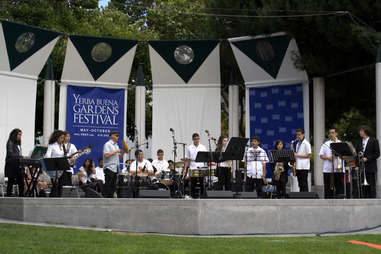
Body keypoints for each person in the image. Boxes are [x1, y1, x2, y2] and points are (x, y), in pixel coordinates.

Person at [355, 125, 380, 198]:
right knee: (363, 187)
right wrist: (357, 165)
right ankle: (364, 200)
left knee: (371, 186)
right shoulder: (359, 142)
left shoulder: (374, 141)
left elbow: (377, 153)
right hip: (362, 168)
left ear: (365, 131)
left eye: (361, 131)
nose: (359, 132)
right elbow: (357, 155)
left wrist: (367, 158)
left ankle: (372, 201)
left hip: (371, 167)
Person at [319, 128, 344, 199]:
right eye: (330, 133)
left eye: (333, 133)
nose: (331, 134)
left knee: (339, 189)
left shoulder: (341, 143)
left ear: (336, 134)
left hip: (338, 170)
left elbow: (345, 155)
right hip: (328, 170)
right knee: (328, 190)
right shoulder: (326, 144)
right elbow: (321, 155)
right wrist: (328, 158)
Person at [183, 133, 207, 198]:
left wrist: (206, 168)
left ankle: (202, 196)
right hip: (193, 168)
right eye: (195, 139)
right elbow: (187, 160)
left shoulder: (203, 147)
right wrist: (185, 169)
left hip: (201, 168)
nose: (197, 140)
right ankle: (193, 197)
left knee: (202, 183)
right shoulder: (189, 148)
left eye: (198, 139)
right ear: (193, 140)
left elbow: (206, 158)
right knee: (193, 183)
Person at [45, 130, 68, 197]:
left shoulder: (63, 146)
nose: (62, 139)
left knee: (60, 186)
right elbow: (47, 156)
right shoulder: (52, 145)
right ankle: (52, 198)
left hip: (61, 169)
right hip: (53, 169)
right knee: (55, 185)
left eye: (63, 138)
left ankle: (59, 199)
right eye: (61, 138)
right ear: (57, 137)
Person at [103, 131, 126, 198]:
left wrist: (123, 152)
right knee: (108, 185)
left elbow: (119, 157)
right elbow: (106, 155)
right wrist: (116, 151)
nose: (117, 137)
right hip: (109, 167)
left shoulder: (116, 145)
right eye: (116, 135)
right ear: (111, 136)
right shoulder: (107, 144)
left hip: (115, 168)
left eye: (118, 136)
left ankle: (111, 199)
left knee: (113, 185)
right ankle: (106, 199)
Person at [5, 128, 24, 197]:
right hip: (11, 165)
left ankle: (21, 197)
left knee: (21, 182)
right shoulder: (10, 142)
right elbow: (10, 154)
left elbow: (18, 154)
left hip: (17, 165)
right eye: (19, 134)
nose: (20, 136)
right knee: (11, 181)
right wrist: (21, 157)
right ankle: (8, 197)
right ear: (14, 135)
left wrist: (22, 157)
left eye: (21, 135)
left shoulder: (18, 144)